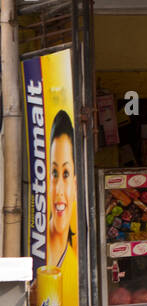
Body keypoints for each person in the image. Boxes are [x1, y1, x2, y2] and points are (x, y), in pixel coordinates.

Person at [47, 109, 77, 269]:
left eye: (65, 174)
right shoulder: (39, 248)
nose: (58, 189)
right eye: (54, 173)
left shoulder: (76, 259)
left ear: (76, 184)